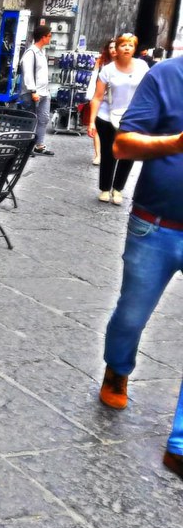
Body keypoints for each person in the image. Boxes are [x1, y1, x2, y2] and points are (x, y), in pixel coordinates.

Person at [97, 55, 183, 482]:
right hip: (157, 224)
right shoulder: (167, 76)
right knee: (132, 314)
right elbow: (123, 144)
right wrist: (176, 142)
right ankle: (118, 368)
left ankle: (180, 444)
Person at [88, 33, 149, 205]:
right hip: (107, 117)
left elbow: (149, 92)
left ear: (134, 48)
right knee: (109, 153)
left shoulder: (143, 67)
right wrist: (92, 121)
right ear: (117, 48)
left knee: (128, 153)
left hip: (132, 118)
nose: (127, 48)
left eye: (130, 45)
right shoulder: (108, 69)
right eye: (123, 45)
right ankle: (105, 189)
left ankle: (118, 189)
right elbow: (98, 97)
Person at [18, 23, 54, 156]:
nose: (50, 38)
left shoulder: (41, 52)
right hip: (33, 93)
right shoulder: (31, 53)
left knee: (43, 119)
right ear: (43, 37)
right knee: (31, 119)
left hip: (44, 92)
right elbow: (28, 74)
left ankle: (39, 145)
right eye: (49, 36)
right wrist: (33, 91)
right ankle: (25, 147)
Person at [84, 38, 117, 166]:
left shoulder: (124, 64)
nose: (113, 50)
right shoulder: (102, 62)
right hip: (101, 99)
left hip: (116, 103)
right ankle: (98, 155)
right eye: (111, 47)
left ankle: (110, 152)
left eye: (115, 47)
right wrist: (91, 96)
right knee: (97, 128)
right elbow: (93, 80)